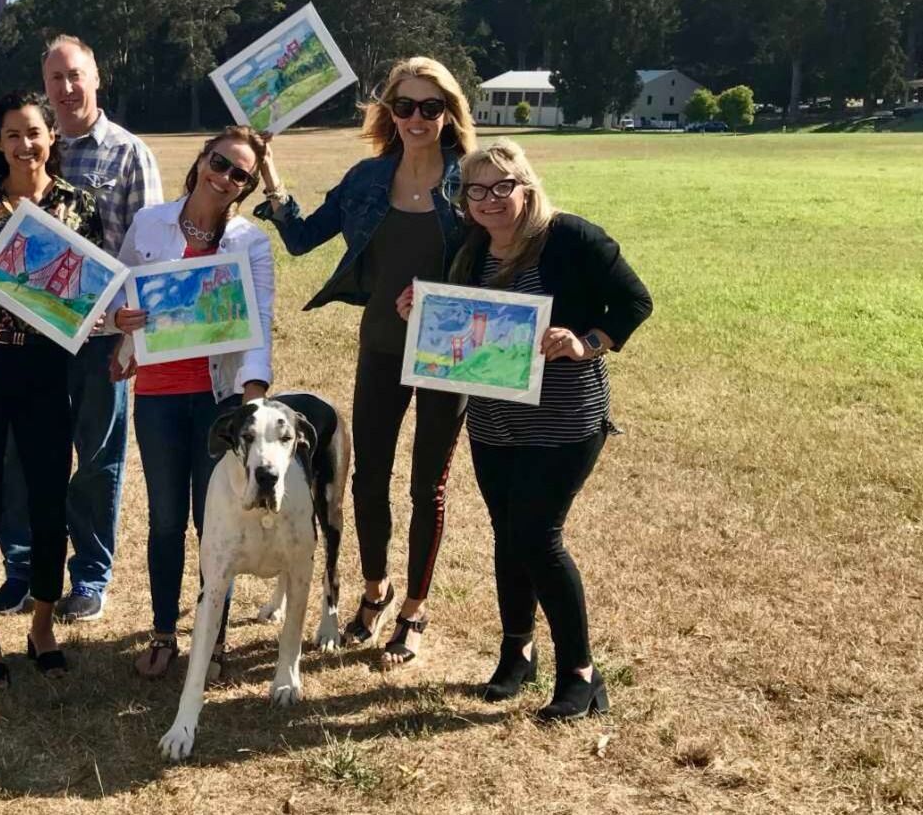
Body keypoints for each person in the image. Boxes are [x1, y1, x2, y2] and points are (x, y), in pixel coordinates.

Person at [0, 35, 162, 621]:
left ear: (96, 77)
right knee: (20, 463)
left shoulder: (128, 154)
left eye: (75, 75)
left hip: (97, 335)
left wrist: (127, 334)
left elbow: (144, 249)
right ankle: (22, 570)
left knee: (95, 458)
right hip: (18, 350)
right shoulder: (6, 167)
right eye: (55, 78)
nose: (67, 87)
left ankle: (90, 576)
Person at [399, 139, 650, 721]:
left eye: (502, 186)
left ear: (526, 186)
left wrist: (586, 342)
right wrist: (421, 311)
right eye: (476, 190)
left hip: (565, 419)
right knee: (508, 536)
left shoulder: (570, 238)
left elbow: (635, 302)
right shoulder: (471, 249)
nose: (489, 200)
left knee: (538, 538)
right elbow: (460, 322)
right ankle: (517, 652)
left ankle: (581, 674)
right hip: (494, 420)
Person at [253, 56, 476, 669]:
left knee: (428, 485)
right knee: (368, 478)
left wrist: (442, 298)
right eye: (405, 106)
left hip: (449, 354)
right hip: (380, 345)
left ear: (449, 112)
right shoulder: (368, 179)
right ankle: (376, 590)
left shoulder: (470, 180)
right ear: (390, 113)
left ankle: (415, 611)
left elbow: (501, 257)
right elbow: (302, 237)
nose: (417, 118)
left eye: (431, 106)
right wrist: (269, 171)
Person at [0, 92, 105, 688]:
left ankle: (41, 624)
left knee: (48, 498)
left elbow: (92, 292)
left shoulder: (78, 206)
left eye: (33, 132)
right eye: (12, 134)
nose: (24, 144)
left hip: (47, 370)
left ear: (51, 136)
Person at [110, 126, 275, 678]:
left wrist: (252, 400)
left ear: (246, 187)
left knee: (216, 524)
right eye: (219, 162)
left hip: (217, 400)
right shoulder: (149, 223)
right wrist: (120, 321)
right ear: (203, 157)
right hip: (156, 396)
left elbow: (259, 325)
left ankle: (215, 639)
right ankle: (163, 632)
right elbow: (119, 292)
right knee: (164, 520)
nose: (224, 177)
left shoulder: (250, 242)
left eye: (239, 174)